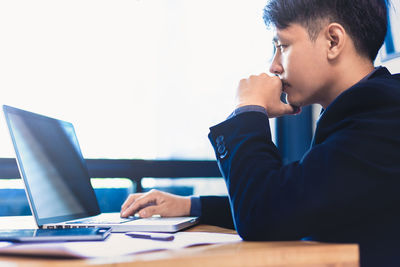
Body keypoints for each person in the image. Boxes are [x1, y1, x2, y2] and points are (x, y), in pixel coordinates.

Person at [121, 0, 400, 266]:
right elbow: (296, 200)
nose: (273, 66)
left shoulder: (383, 112)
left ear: (333, 41)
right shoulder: (368, 110)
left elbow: (265, 216)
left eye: (283, 45)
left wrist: (248, 109)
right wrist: (192, 206)